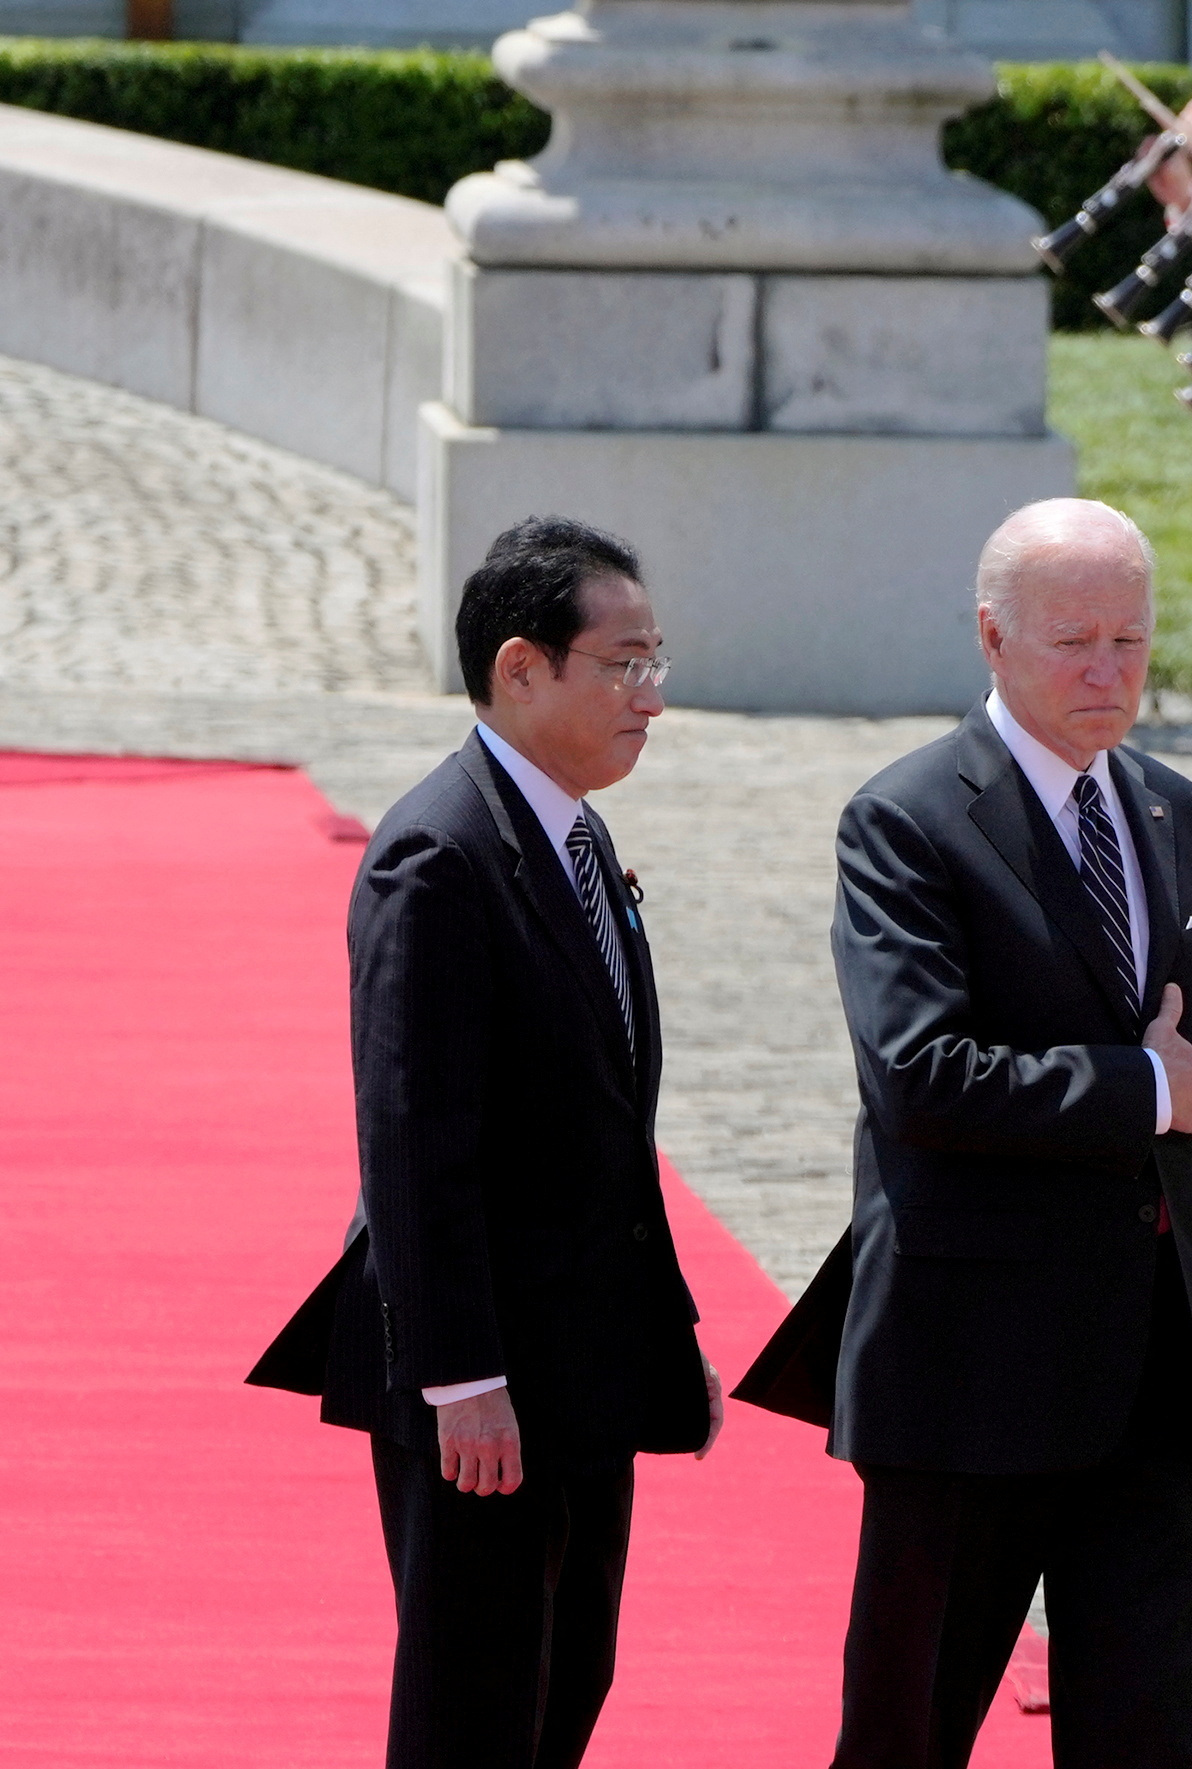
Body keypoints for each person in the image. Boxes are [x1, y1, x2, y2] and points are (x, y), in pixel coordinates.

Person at [741, 499, 1192, 1769]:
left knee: (1142, 1735)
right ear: (991, 636)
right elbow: (920, 1073)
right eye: (1073, 640)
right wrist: (1133, 1090)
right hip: (966, 1368)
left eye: (1131, 641)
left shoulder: (1177, 813)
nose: (1107, 671)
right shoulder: (908, 819)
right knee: (908, 1729)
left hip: (1152, 1370)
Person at [246, 516, 720, 1769]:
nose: (652, 697)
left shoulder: (573, 831)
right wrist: (460, 1376)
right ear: (522, 669)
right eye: (623, 664)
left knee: (567, 1682)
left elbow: (606, 1125)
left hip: (585, 1362)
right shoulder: (437, 854)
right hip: (485, 1384)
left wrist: (654, 1326)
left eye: (656, 659)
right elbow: (412, 1139)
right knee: (475, 1702)